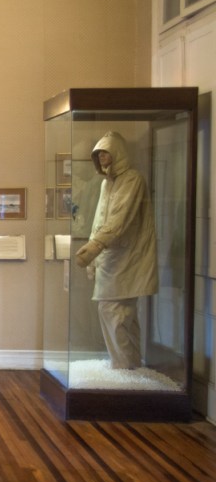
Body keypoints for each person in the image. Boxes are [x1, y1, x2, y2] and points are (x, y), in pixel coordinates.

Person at [74, 131, 158, 370]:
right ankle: (129, 365)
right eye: (99, 153)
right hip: (109, 257)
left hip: (127, 258)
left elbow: (119, 220)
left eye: (106, 152)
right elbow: (99, 221)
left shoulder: (132, 180)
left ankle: (124, 366)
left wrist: (93, 247)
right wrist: (94, 256)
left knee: (115, 312)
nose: (101, 157)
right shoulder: (106, 183)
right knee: (121, 314)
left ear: (117, 152)